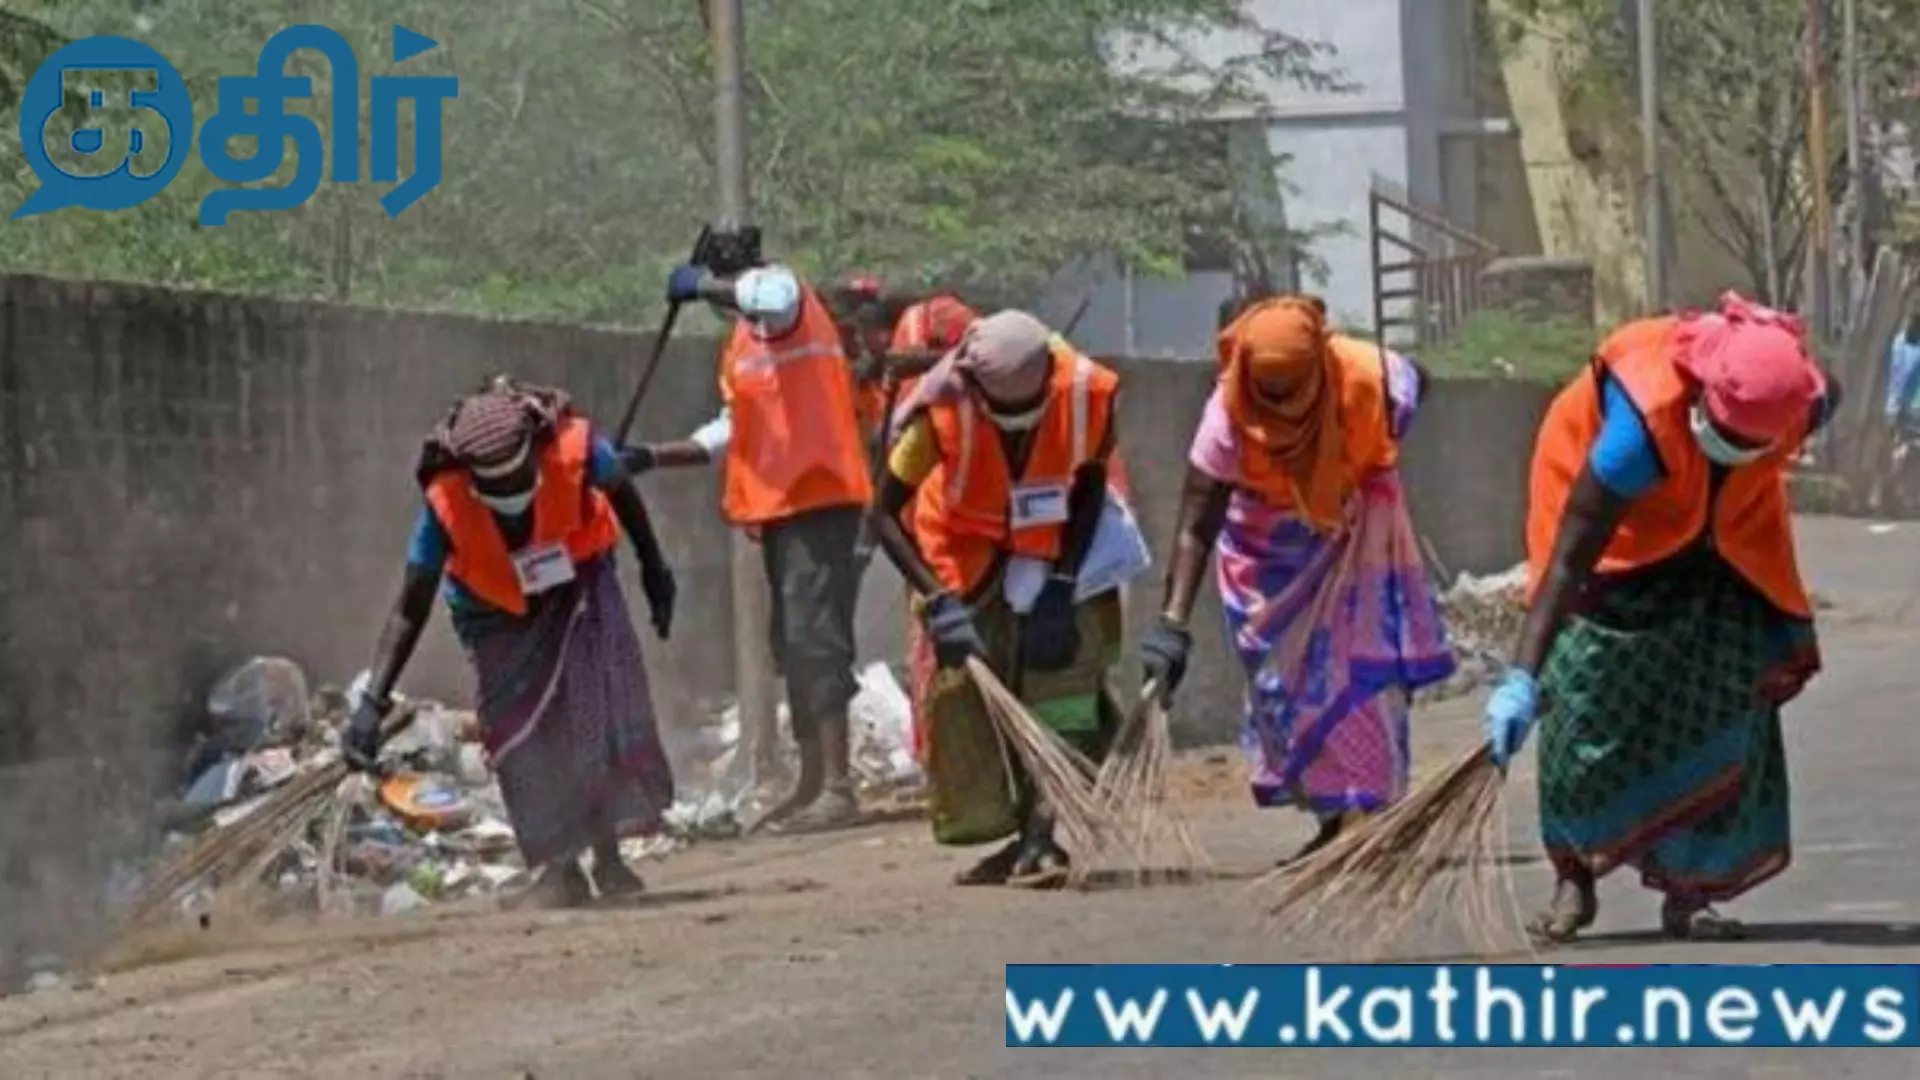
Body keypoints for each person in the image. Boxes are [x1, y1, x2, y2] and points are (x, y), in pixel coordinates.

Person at [1483, 292, 1839, 944]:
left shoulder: (1800, 399)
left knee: (1719, 704)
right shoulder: (1636, 430)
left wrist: (1734, 479)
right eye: (1727, 436)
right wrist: (1522, 677)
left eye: (1751, 444)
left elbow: (1816, 402)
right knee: (1581, 714)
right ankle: (1576, 878)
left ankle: (1692, 891)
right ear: (1703, 397)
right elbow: (1568, 562)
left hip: (1721, 544)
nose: (1735, 448)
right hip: (1613, 550)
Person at [1143, 293, 1456, 865]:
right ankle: (1334, 818)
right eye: (1269, 391)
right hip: (1268, 569)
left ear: (1321, 363)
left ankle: (1372, 815)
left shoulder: (1367, 375)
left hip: (1356, 548)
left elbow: (1417, 382)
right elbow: (1197, 522)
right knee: (1286, 692)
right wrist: (1172, 623)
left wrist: (1367, 470)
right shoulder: (1226, 416)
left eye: (1293, 388)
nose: (1281, 404)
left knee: (1361, 680)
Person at [347, 378, 679, 909]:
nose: (511, 499)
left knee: (589, 715)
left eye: (519, 482)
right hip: (494, 613)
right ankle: (559, 867)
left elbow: (623, 494)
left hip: (578, 588)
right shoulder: (446, 500)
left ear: (537, 455)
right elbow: (411, 606)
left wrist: (654, 570)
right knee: (519, 737)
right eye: (494, 491)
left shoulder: (576, 449)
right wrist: (371, 703)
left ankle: (609, 858)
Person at [623, 230, 872, 834]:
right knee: (791, 644)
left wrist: (700, 281)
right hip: (783, 508)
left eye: (718, 292)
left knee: (816, 640)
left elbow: (772, 290)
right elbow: (731, 428)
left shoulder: (787, 301)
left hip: (821, 499)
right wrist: (651, 456)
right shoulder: (745, 342)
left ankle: (838, 787)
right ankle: (812, 782)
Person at [869, 310, 1128, 887]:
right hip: (964, 561)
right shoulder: (939, 414)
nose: (1016, 428)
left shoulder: (1087, 397)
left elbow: (1088, 488)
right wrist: (938, 602)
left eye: (1025, 415)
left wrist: (1061, 587)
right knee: (974, 701)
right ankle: (1013, 836)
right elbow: (882, 515)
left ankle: (1044, 834)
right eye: (1003, 416)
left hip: (1055, 551)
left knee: (1060, 689)